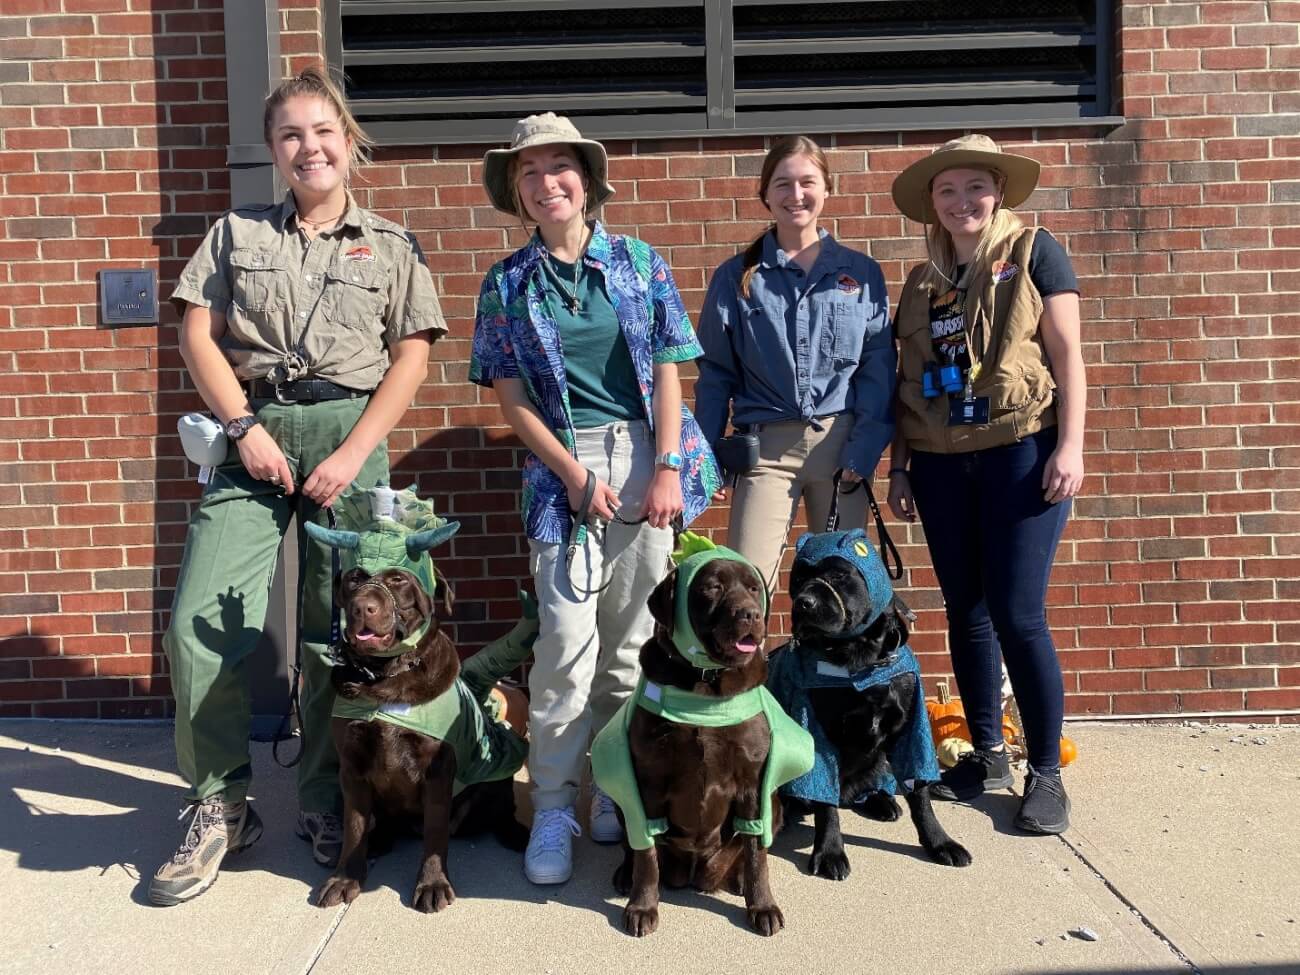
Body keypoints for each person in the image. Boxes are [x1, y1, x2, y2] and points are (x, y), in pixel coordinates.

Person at [151, 66, 447, 905]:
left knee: (341, 632)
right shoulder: (234, 233)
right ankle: (219, 804)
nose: (308, 147)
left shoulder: (391, 245)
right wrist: (243, 429)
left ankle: (328, 798)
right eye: (290, 135)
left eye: (322, 131)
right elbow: (197, 334)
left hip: (349, 441)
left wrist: (355, 453)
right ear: (275, 150)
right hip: (253, 436)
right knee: (196, 625)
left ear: (347, 141)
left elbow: (412, 356)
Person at [471, 113, 720, 884]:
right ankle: (551, 805)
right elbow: (511, 401)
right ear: (516, 190)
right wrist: (576, 476)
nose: (548, 183)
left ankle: (612, 789)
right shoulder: (507, 283)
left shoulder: (641, 263)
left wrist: (670, 466)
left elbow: (674, 366)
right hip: (562, 464)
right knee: (565, 646)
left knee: (627, 648)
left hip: (647, 452)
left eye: (559, 167)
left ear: (587, 178)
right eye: (529, 172)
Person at [886, 134, 1086, 834]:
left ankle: (1047, 774)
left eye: (975, 186)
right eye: (947, 190)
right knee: (965, 608)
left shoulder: (1034, 253)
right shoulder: (921, 283)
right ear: (933, 206)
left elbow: (1067, 355)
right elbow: (906, 385)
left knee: (1018, 612)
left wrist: (1072, 445)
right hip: (941, 462)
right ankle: (987, 754)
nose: (961, 200)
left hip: (1020, 452)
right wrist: (902, 467)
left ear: (997, 192)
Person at [693, 135, 894, 590]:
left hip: (841, 449)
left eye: (807, 182)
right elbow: (715, 376)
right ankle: (750, 664)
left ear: (827, 189)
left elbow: (877, 367)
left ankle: (828, 666)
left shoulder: (861, 274)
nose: (795, 195)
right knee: (745, 589)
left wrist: (865, 447)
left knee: (842, 592)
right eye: (783, 184)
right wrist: (706, 458)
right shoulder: (735, 277)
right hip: (765, 452)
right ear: (765, 194)